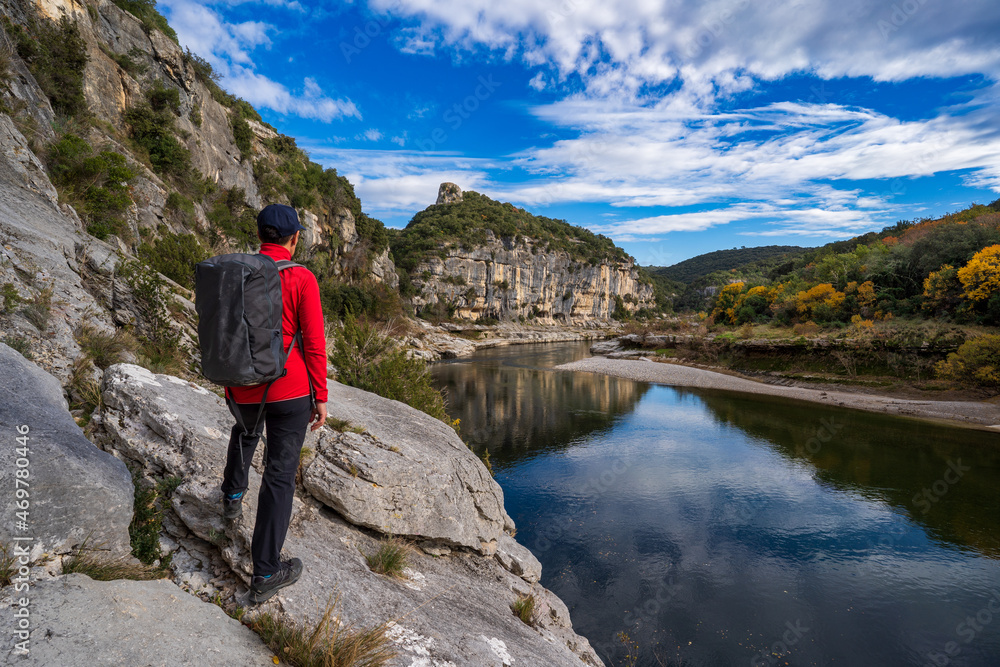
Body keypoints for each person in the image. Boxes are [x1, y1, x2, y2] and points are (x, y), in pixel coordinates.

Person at [219, 203, 328, 604]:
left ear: (262, 234)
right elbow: (314, 344)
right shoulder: (300, 277)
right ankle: (266, 570)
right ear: (295, 237)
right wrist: (321, 397)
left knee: (245, 431)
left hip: (241, 382)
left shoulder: (235, 272)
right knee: (280, 476)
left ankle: (231, 498)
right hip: (291, 390)